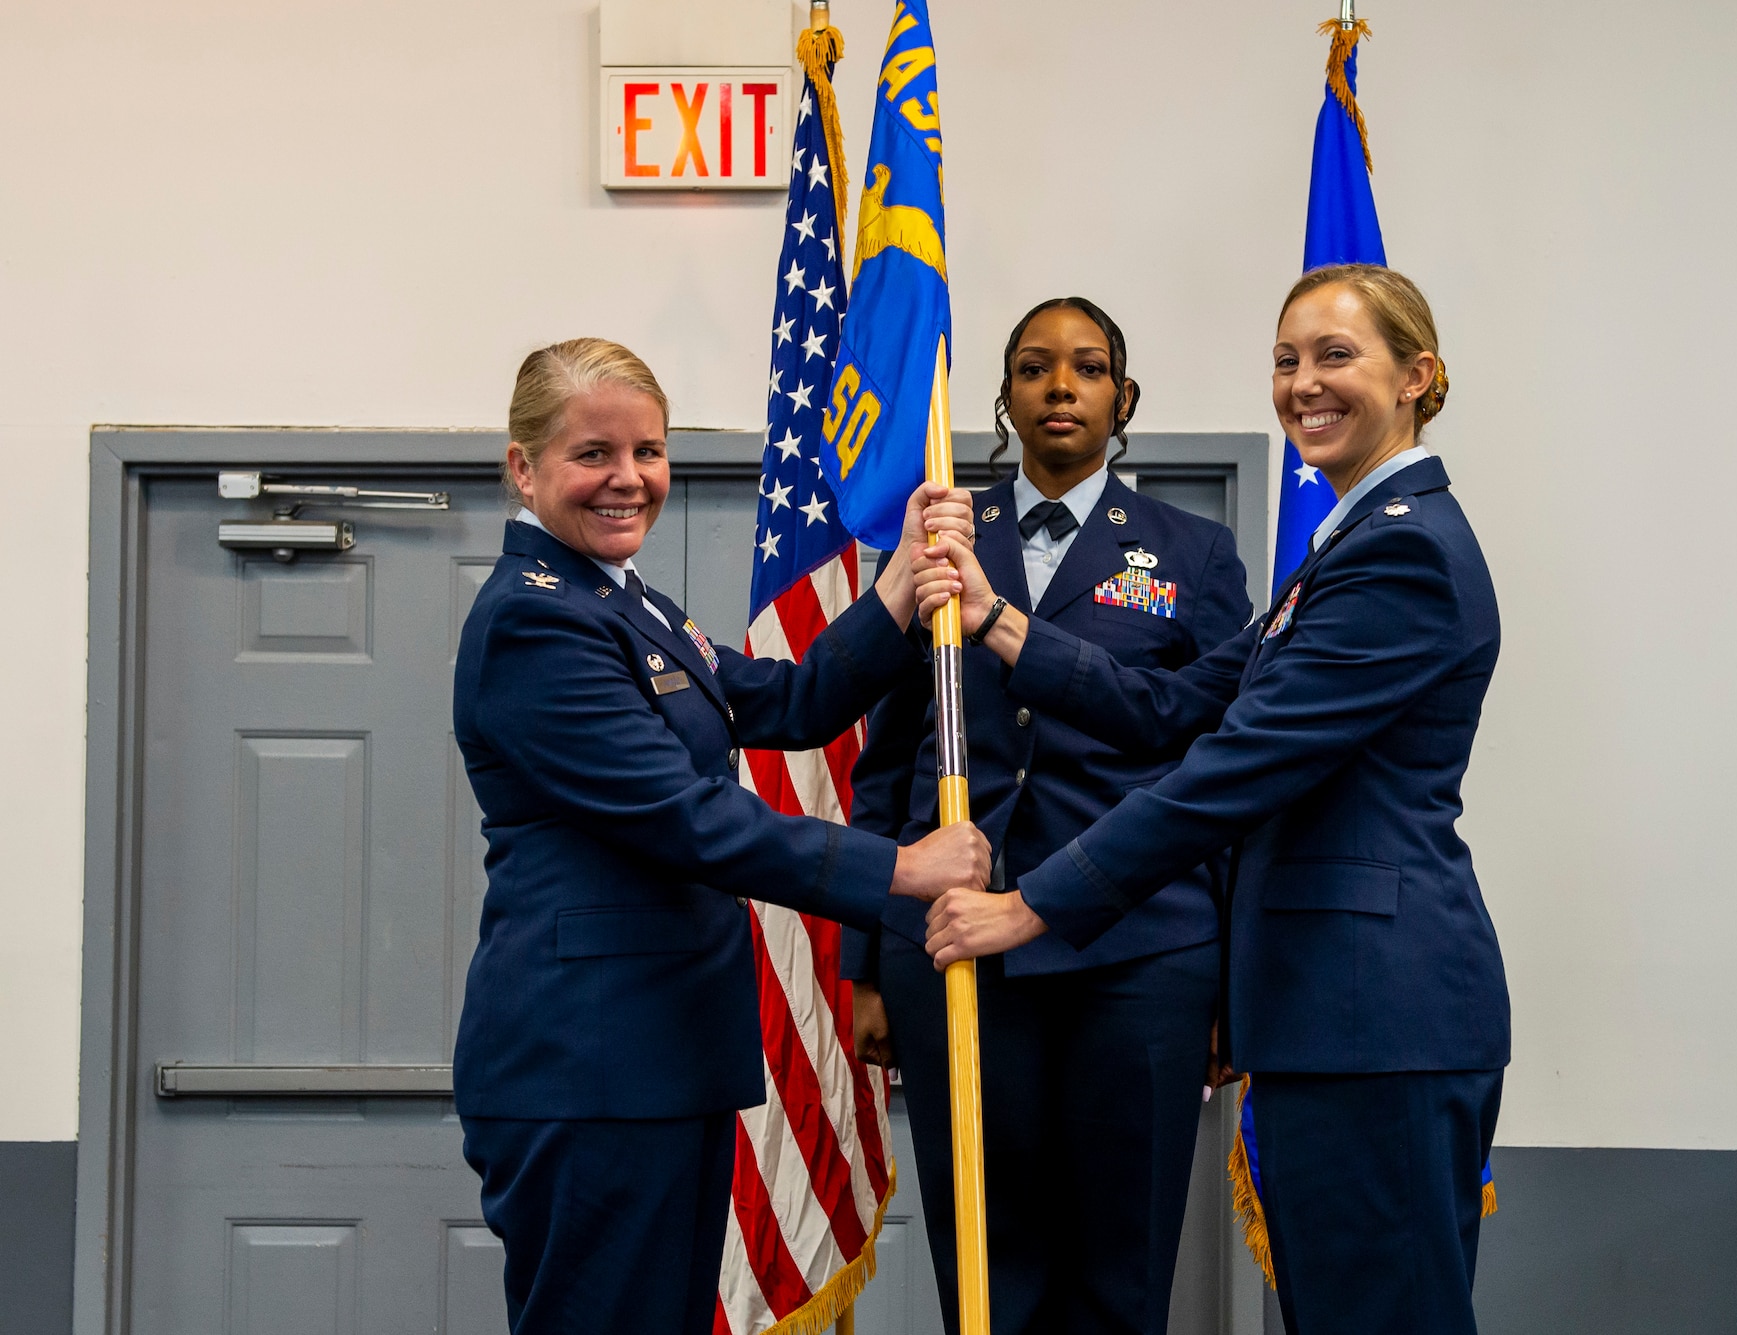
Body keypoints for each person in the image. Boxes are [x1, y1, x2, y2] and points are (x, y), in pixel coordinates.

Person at [916, 266, 1510, 1335]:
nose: (1301, 384)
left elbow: (1228, 769)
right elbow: (1169, 706)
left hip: (1375, 1010)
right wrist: (1000, 622)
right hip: (1327, 1011)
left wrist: (1031, 904)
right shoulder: (1345, 546)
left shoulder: (1402, 554)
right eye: (1286, 360)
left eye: (1335, 356)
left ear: (1417, 375)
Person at [450, 337, 988, 1335]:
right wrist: (901, 868)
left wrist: (902, 581)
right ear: (522, 467)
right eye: (593, 454)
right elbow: (683, 816)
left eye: (647, 452)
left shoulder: (625, 604)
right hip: (591, 1061)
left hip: (658, 1055)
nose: (628, 479)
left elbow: (786, 699)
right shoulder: (538, 626)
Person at [842, 298, 1253, 1335]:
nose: (1058, 386)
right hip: (958, 949)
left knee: (1121, 1264)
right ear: (1004, 396)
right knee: (988, 1261)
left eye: (1085, 368)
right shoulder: (939, 536)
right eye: (1032, 368)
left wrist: (1227, 984)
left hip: (1144, 950)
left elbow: (1215, 757)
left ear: (1122, 395)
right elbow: (886, 762)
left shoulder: (1191, 553)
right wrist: (864, 960)